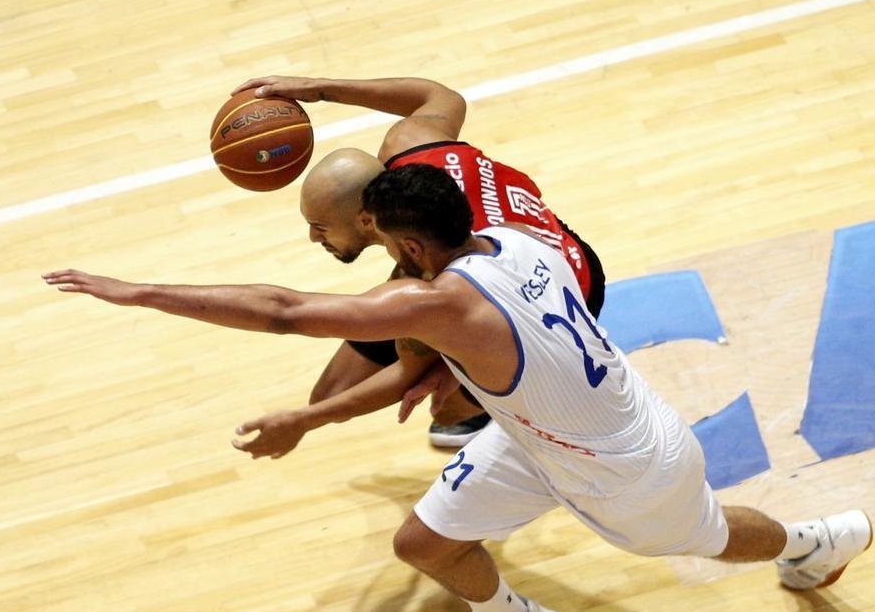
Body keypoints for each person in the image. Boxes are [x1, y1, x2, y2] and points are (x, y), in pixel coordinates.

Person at [43, 164, 873, 612]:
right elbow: (432, 365)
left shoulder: (442, 304)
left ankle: (811, 543)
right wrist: (316, 416)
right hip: (542, 432)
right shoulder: (518, 239)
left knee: (709, 537)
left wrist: (138, 290)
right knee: (423, 543)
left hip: (628, 467)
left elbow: (287, 310)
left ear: (403, 241)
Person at [228, 75, 606, 448]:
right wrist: (320, 89)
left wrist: (304, 422)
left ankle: (500, 411)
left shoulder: (445, 272)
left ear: (367, 222)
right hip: (497, 248)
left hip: (558, 287)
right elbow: (441, 95)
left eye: (320, 228)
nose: (313, 238)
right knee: (331, 392)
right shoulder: (409, 143)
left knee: (448, 411)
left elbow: (403, 373)